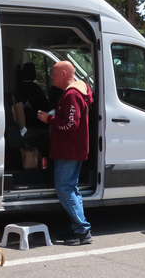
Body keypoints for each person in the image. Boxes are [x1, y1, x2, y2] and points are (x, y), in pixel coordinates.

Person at [37, 60, 93, 246]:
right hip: (73, 149)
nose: (51, 77)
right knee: (72, 188)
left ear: (63, 74)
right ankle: (78, 228)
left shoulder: (72, 95)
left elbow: (71, 124)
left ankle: (83, 230)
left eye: (54, 73)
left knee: (64, 188)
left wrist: (49, 119)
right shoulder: (74, 93)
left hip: (68, 150)